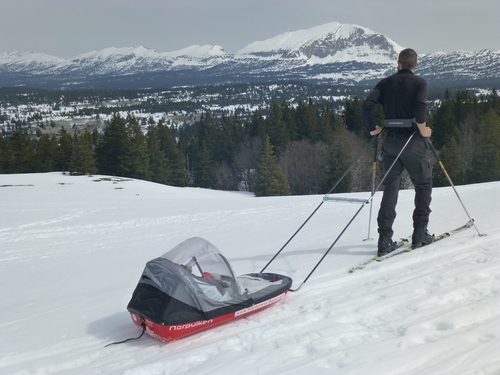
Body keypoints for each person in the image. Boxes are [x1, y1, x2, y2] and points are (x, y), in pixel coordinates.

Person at [362, 48, 434, 256]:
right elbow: (420, 108)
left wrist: (372, 129)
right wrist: (424, 130)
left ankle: (384, 239)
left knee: (390, 188)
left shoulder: (385, 83)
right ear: (415, 65)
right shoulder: (419, 83)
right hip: (413, 142)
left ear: (398, 63)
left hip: (391, 142)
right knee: (423, 185)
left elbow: (367, 105)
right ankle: (420, 232)